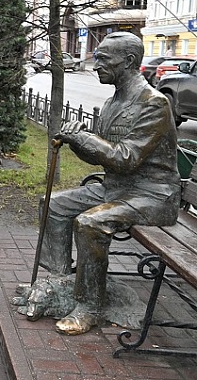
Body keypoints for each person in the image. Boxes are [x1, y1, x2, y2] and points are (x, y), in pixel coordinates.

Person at [39, 32, 180, 335]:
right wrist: (74, 140)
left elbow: (125, 158)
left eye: (104, 59)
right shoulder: (112, 101)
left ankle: (91, 306)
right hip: (118, 188)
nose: (96, 65)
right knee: (53, 204)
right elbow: (101, 159)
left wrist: (84, 138)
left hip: (152, 194)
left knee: (90, 223)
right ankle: (60, 280)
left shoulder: (153, 103)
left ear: (128, 62)